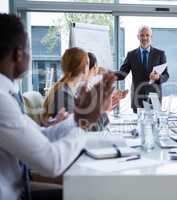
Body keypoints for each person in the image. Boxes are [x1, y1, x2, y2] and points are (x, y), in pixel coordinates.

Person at [0, 13, 115, 200]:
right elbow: (52, 163)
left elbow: (41, 135)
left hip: (21, 186)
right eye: (30, 47)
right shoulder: (2, 101)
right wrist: (83, 123)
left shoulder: (8, 93)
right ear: (17, 54)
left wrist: (78, 117)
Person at [115, 25, 169, 113]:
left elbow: (166, 75)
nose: (144, 38)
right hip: (137, 98)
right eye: (142, 35)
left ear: (151, 37)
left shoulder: (160, 54)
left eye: (147, 35)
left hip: (154, 98)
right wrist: (106, 74)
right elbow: (122, 74)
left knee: (155, 124)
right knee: (138, 125)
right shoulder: (131, 55)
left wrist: (158, 77)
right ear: (138, 37)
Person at [43, 47, 89, 124]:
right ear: (84, 68)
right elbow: (76, 130)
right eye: (88, 64)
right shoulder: (65, 95)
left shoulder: (65, 90)